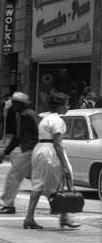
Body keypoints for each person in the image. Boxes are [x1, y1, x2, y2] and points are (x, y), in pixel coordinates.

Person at [23, 92, 78, 231]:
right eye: (66, 104)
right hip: (50, 152)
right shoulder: (58, 121)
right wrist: (65, 165)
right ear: (60, 106)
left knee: (38, 184)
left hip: (39, 149)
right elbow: (58, 145)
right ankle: (65, 217)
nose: (68, 106)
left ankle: (29, 218)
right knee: (62, 183)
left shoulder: (44, 118)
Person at [0, 91, 37, 215]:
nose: (11, 105)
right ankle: (60, 207)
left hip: (31, 151)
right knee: (40, 182)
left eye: (14, 103)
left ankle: (8, 205)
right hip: (30, 151)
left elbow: (39, 132)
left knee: (13, 177)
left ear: (20, 105)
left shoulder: (29, 116)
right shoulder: (22, 116)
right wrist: (5, 153)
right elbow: (17, 138)